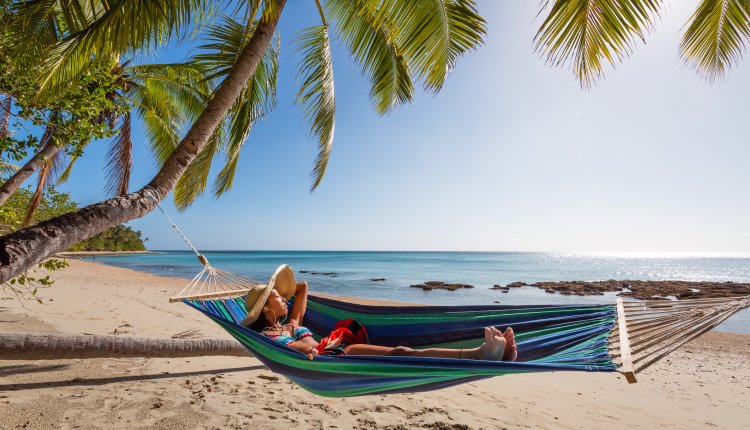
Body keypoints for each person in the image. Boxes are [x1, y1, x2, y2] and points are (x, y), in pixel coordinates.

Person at [242, 265, 518, 361]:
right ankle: (480, 354)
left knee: (402, 352)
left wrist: (280, 290)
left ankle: (488, 354)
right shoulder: (265, 339)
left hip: (334, 350)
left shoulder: (292, 323)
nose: (284, 299)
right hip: (323, 361)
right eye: (277, 296)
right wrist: (270, 297)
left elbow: (302, 288)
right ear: (265, 308)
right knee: (402, 352)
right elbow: (288, 355)